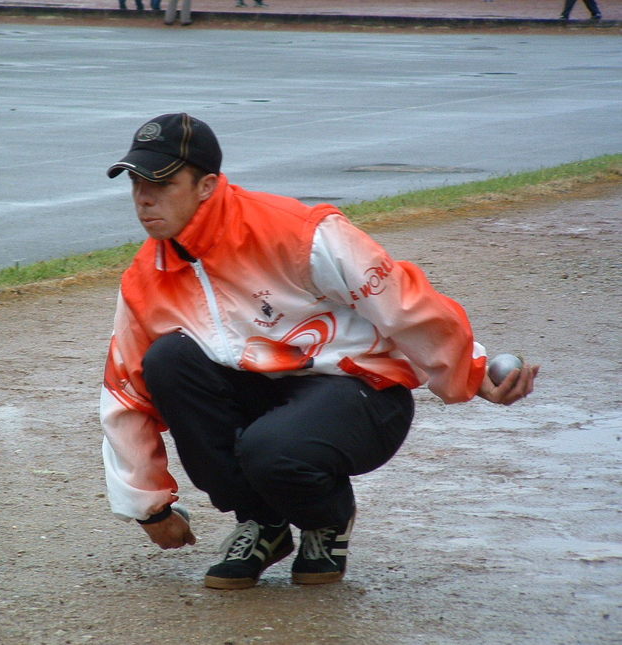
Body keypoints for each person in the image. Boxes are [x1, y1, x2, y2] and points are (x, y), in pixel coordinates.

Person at [100, 113, 538, 590]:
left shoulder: (296, 231)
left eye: (162, 183)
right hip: (266, 397)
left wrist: (471, 371)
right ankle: (263, 525)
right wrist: (150, 508)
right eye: (137, 182)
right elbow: (126, 394)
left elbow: (400, 302)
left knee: (271, 449)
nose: (144, 198)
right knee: (167, 361)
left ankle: (326, 521)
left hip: (358, 394)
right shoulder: (146, 279)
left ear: (206, 185)